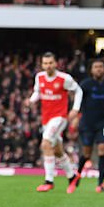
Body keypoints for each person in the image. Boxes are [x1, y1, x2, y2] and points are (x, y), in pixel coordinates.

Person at [27, 52, 83, 193]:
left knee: (45, 144)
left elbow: (78, 91)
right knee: (57, 151)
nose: (48, 66)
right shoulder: (39, 77)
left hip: (59, 117)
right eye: (45, 63)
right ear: (42, 64)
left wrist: (75, 109)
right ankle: (72, 177)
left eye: (50, 63)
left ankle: (49, 181)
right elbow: (37, 92)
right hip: (46, 118)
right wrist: (31, 100)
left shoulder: (64, 78)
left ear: (56, 63)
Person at [67, 59, 104, 193]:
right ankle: (77, 177)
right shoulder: (85, 84)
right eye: (96, 67)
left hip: (103, 123)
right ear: (92, 70)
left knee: (102, 149)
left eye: (101, 67)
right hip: (87, 123)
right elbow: (78, 102)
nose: (99, 69)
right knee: (86, 154)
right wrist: (76, 117)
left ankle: (101, 184)